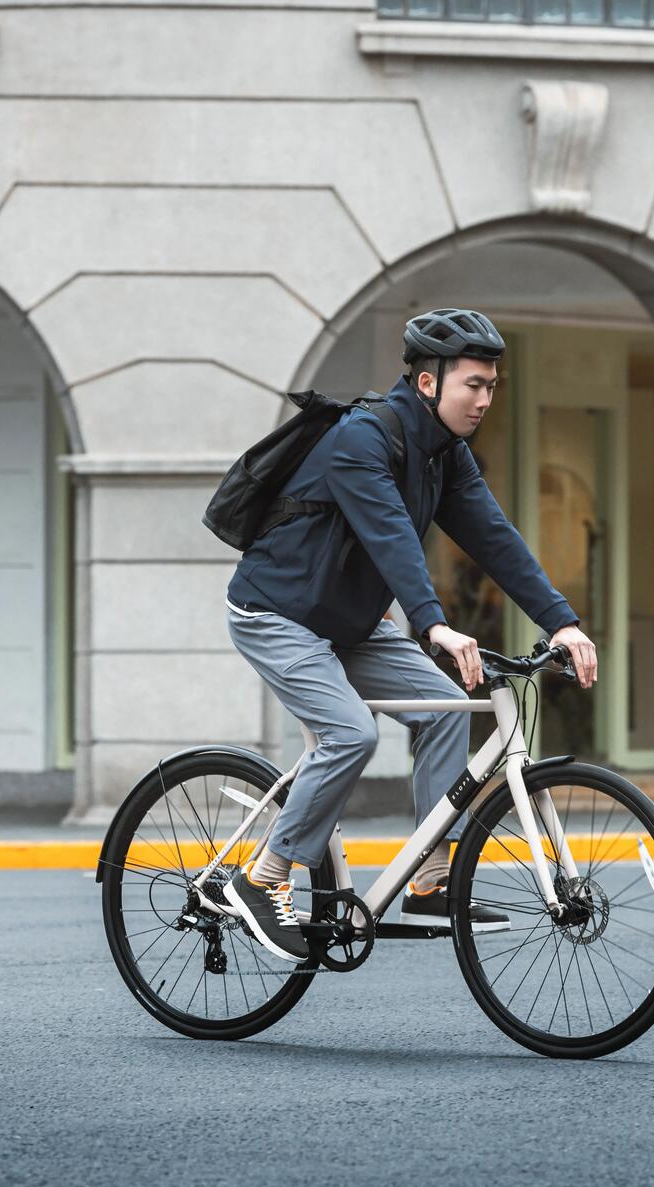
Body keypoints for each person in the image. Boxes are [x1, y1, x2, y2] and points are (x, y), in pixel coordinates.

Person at [221, 308, 598, 962]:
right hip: (276, 612)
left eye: (491, 386)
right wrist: (434, 624)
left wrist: (561, 619)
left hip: (351, 624)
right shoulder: (362, 439)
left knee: (447, 711)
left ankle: (429, 883)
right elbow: (391, 537)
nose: (485, 399)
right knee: (352, 733)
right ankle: (263, 878)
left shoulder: (445, 456)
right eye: (473, 385)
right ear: (428, 383)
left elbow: (496, 540)